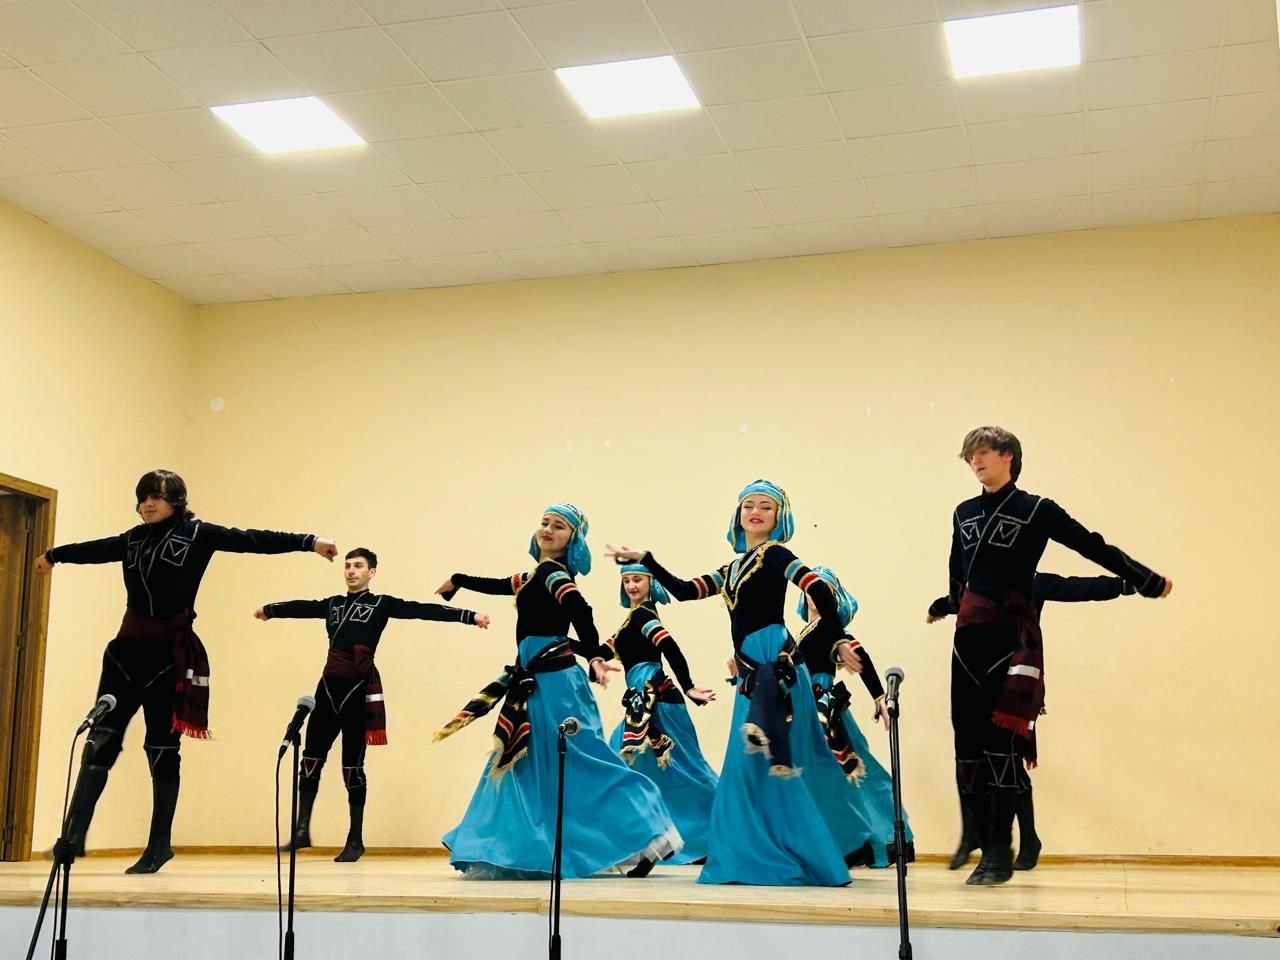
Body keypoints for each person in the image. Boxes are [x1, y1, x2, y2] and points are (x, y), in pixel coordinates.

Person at [34, 469, 336, 874]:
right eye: (144, 496)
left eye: (158, 496)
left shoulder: (198, 534)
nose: (149, 503)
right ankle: (72, 838)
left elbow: (252, 539)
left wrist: (309, 542)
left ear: (176, 500)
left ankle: (159, 844)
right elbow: (94, 549)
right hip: (124, 655)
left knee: (161, 750)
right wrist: (55, 555)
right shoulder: (132, 539)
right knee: (99, 741)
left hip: (168, 657)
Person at [938, 427, 1172, 886]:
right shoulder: (963, 512)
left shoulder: (1036, 509)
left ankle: (999, 855)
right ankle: (979, 840)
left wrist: (1142, 579)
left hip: (1007, 640)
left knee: (1002, 748)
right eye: (969, 456)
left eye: (982, 453)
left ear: (1008, 455)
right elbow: (957, 573)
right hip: (967, 642)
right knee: (966, 747)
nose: (975, 462)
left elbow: (1091, 544)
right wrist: (946, 604)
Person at [608, 479, 860, 886]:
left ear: (779, 517)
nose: (756, 512)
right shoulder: (730, 569)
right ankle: (761, 855)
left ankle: (807, 855)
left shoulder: (776, 554)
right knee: (752, 769)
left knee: (775, 764)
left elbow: (817, 588)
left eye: (766, 507)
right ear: (738, 515)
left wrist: (838, 636)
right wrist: (647, 560)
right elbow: (685, 591)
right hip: (750, 673)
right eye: (748, 506)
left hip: (775, 667)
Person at [433, 502, 681, 879]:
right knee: (527, 761)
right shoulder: (534, 575)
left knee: (579, 758)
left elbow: (581, 611)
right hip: (536, 682)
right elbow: (496, 584)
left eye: (559, 526)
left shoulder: (553, 574)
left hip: (557, 684)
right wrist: (457, 580)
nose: (548, 529)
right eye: (545, 523)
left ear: (573, 540)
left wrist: (595, 655)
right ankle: (505, 841)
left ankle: (646, 826)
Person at [255, 547, 491, 862]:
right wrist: (269, 610)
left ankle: (355, 839)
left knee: (352, 768)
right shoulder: (333, 604)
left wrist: (469, 617)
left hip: (358, 690)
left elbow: (421, 610)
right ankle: (301, 830)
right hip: (327, 688)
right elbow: (303, 607)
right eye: (347, 566)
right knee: (310, 760)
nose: (351, 571)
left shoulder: (381, 604)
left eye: (358, 566)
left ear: (372, 572)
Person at [929, 571, 1138, 872]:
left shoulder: (1031, 580)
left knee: (1008, 760)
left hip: (1016, 680)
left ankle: (1027, 841)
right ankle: (986, 838)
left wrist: (1125, 584)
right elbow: (959, 601)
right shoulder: (980, 581)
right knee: (979, 758)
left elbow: (1075, 587)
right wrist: (938, 607)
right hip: (979, 678)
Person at [602, 563, 718, 865]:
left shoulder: (644, 616)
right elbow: (600, 652)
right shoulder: (630, 621)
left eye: (637, 580)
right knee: (665, 770)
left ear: (651, 583)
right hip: (641, 704)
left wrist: (689, 686)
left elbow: (670, 647)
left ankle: (728, 828)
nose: (631, 586)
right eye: (627, 581)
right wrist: (557, 643)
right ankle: (661, 840)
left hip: (658, 701)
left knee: (687, 769)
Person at [798, 566, 912, 868]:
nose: (814, 594)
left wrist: (879, 696)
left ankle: (882, 839)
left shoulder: (829, 627)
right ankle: (854, 842)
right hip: (808, 708)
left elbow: (859, 654)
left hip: (825, 711)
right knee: (836, 776)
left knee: (857, 772)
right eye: (811, 588)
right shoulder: (808, 630)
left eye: (823, 589)